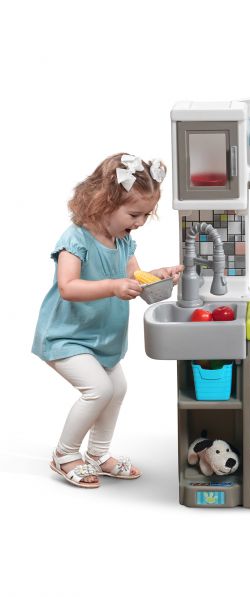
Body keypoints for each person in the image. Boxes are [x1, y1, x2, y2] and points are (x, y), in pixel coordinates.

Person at [32, 153, 183, 488]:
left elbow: (135, 278)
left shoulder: (123, 240)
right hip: (66, 336)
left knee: (117, 389)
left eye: (146, 215)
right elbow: (68, 287)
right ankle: (64, 454)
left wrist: (158, 277)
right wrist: (113, 286)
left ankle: (98, 455)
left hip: (102, 338)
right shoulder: (75, 239)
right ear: (104, 203)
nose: (140, 222)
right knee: (98, 389)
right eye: (134, 214)